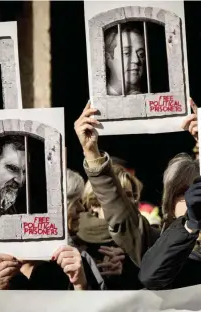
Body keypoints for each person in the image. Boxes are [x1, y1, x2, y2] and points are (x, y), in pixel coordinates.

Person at [74, 101, 159, 271]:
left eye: (130, 196)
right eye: (121, 197)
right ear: (94, 204)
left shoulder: (147, 242)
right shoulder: (72, 245)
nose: (128, 203)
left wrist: (127, 271)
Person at [104, 23, 146, 96]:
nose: (136, 60)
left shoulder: (151, 96)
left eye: (141, 54)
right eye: (126, 53)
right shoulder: (96, 102)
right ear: (108, 59)